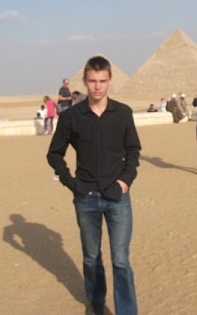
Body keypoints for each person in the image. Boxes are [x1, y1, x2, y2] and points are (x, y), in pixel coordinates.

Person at [47, 56, 141, 315]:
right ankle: (96, 303)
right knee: (91, 257)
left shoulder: (123, 113)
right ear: (84, 82)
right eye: (92, 81)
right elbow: (54, 154)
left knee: (121, 260)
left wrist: (125, 181)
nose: (97, 86)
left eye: (102, 81)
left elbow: (133, 150)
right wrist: (71, 183)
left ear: (110, 81)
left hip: (117, 196)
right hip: (86, 196)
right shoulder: (72, 117)